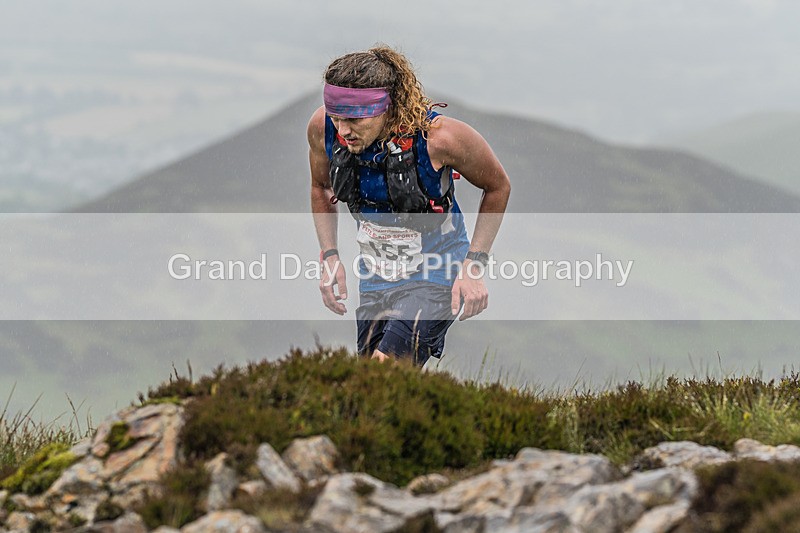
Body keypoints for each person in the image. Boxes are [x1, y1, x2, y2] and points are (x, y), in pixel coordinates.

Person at [308, 45, 510, 367]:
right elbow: (321, 186)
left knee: (381, 373)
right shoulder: (324, 129)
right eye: (336, 116)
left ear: (387, 105)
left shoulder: (440, 138)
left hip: (437, 273)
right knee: (371, 390)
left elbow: (498, 186)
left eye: (354, 118)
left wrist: (473, 266)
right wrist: (330, 255)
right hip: (376, 276)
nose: (343, 130)